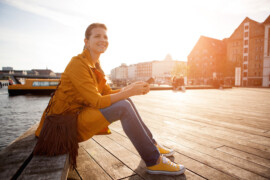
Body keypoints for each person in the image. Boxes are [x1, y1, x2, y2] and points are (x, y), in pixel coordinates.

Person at [35, 23, 185, 176]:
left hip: (76, 117)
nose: (103, 40)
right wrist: (128, 92)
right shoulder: (77, 64)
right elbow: (98, 101)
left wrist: (132, 89)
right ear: (86, 42)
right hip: (61, 126)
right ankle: (154, 161)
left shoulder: (96, 66)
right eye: (97, 36)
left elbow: (108, 93)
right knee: (123, 106)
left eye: (105, 37)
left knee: (126, 102)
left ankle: (152, 145)